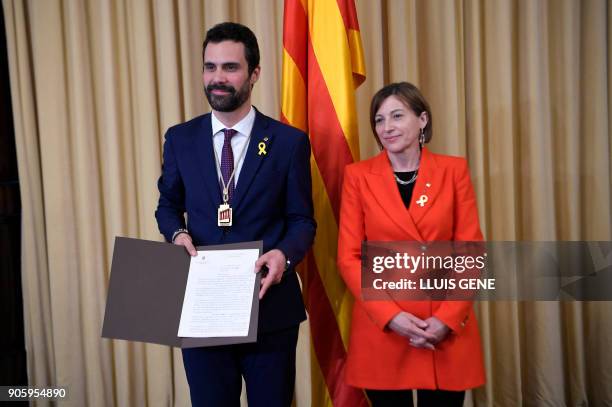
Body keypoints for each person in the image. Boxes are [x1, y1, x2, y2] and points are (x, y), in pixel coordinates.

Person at [155, 22, 315, 407]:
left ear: (254, 73)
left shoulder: (288, 142)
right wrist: (177, 234)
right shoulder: (180, 138)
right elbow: (167, 206)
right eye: (210, 67)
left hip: (269, 309)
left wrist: (284, 255)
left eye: (230, 67)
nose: (217, 78)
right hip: (203, 309)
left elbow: (302, 220)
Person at [337, 82, 485, 406]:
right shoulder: (357, 177)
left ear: (422, 119)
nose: (386, 127)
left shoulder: (453, 170)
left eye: (397, 116)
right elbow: (349, 257)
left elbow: (471, 252)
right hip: (385, 329)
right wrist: (391, 317)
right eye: (379, 119)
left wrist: (446, 320)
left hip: (442, 329)